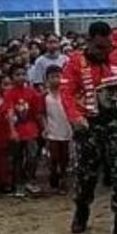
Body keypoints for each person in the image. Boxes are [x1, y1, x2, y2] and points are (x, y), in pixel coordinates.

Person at [61, 21, 117, 234]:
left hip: (115, 124)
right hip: (89, 126)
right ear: (89, 42)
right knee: (86, 175)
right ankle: (82, 211)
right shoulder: (75, 64)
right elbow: (66, 93)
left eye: (108, 48)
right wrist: (75, 118)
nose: (104, 52)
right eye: (99, 48)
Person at [3, 63, 45, 197]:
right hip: (17, 129)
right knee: (17, 158)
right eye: (17, 75)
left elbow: (37, 112)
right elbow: (9, 112)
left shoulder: (32, 92)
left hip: (31, 128)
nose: (21, 77)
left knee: (32, 156)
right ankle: (19, 184)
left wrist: (44, 127)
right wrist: (12, 131)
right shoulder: (9, 93)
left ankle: (30, 180)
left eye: (23, 74)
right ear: (11, 77)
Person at [43, 65, 73, 194]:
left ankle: (64, 179)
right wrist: (45, 127)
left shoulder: (67, 93)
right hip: (52, 129)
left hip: (66, 128)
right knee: (54, 156)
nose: (55, 80)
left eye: (58, 76)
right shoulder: (44, 96)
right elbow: (42, 113)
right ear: (47, 79)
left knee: (65, 156)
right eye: (52, 77)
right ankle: (53, 174)